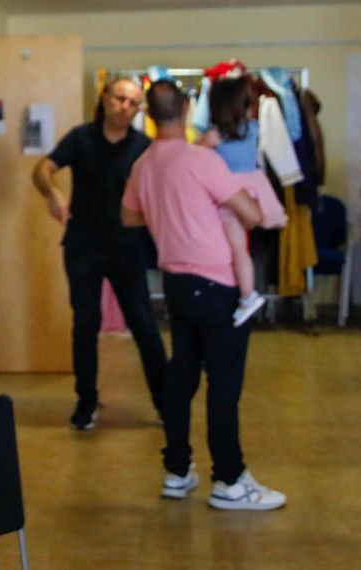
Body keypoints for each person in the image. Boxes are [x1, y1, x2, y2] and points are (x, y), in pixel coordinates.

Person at [122, 80, 281, 511]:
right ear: (188, 109)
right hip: (217, 284)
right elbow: (250, 218)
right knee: (223, 384)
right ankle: (229, 479)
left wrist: (168, 212)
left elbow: (129, 215)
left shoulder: (143, 164)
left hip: (176, 283)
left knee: (183, 376)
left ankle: (177, 470)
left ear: (149, 115)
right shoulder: (202, 160)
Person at [33, 78, 168, 430]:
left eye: (133, 103)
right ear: (105, 99)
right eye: (120, 98)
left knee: (144, 326)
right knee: (85, 325)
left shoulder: (144, 147)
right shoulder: (81, 138)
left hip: (127, 249)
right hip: (83, 246)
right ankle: (86, 402)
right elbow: (43, 168)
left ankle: (167, 404)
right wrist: (53, 193)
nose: (125, 107)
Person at [196, 76, 288, 326]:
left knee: (235, 247)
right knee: (240, 247)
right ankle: (246, 294)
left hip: (229, 191)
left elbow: (191, 158)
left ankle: (248, 295)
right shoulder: (254, 129)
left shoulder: (214, 135)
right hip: (252, 187)